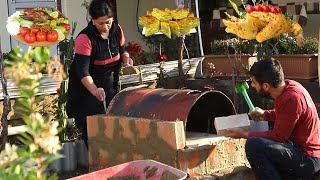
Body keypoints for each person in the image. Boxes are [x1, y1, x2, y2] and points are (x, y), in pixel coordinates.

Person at [225, 59, 320, 179]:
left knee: (254, 145)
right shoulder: (290, 86)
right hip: (302, 152)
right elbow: (289, 115)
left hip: (307, 159)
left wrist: (245, 134)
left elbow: (279, 136)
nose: (252, 85)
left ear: (265, 86)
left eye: (254, 82)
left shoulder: (290, 98)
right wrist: (265, 114)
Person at [66, 0, 133, 146]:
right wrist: (94, 90)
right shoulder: (84, 38)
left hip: (109, 82)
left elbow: (123, 50)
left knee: (113, 122)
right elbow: (82, 71)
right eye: (100, 23)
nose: (105, 26)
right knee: (93, 127)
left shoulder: (117, 30)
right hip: (87, 86)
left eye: (108, 22)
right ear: (93, 20)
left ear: (113, 19)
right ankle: (94, 159)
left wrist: (126, 58)